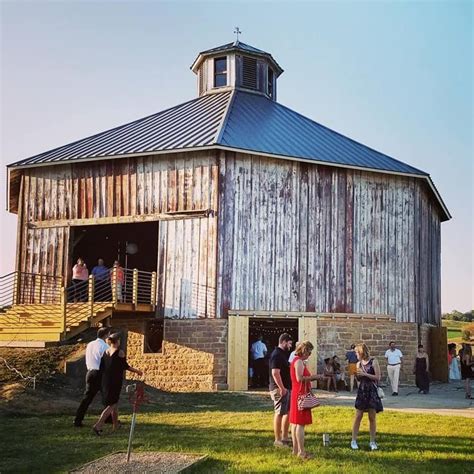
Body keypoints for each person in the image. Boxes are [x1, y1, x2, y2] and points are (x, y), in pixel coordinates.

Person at [92, 333, 143, 434]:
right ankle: (98, 425)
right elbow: (125, 366)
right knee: (112, 404)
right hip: (115, 380)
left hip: (105, 380)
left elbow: (102, 367)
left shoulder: (105, 352)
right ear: (117, 341)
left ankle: (115, 425)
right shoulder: (120, 352)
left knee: (114, 403)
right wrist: (137, 371)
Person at [290, 341, 324, 459]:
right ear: (304, 351)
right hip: (301, 395)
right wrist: (314, 377)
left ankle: (295, 450)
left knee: (294, 423)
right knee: (300, 424)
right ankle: (301, 452)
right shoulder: (298, 362)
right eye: (309, 352)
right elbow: (299, 379)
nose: (310, 354)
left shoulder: (296, 361)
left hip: (297, 394)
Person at [74, 327, 110, 427]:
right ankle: (108, 418)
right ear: (106, 335)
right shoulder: (105, 346)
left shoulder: (90, 344)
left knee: (87, 398)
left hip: (90, 372)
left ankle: (78, 419)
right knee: (107, 397)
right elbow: (107, 361)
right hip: (100, 373)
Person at [351, 343, 383, 451]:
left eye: (356, 352)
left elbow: (378, 377)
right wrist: (356, 375)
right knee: (358, 416)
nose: (355, 355)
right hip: (362, 391)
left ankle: (372, 441)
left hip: (372, 390)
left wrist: (365, 375)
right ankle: (353, 440)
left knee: (372, 417)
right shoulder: (358, 364)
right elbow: (359, 380)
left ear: (361, 352)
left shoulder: (374, 361)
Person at [269, 333, 293, 448]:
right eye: (289, 343)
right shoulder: (276, 354)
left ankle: (285, 437)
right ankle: (277, 440)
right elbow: (275, 372)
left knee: (287, 412)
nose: (290, 345)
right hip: (279, 389)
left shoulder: (283, 354)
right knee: (279, 413)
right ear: (283, 341)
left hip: (286, 388)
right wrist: (282, 388)